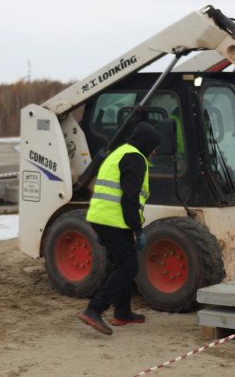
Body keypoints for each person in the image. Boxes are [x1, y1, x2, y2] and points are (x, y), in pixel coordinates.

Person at [77, 121, 162, 335]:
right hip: (114, 220)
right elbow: (130, 198)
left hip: (104, 218)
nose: (154, 152)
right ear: (146, 144)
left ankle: (122, 313)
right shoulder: (135, 158)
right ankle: (94, 309)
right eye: (153, 147)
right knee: (128, 267)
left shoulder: (119, 152)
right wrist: (137, 229)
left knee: (122, 264)